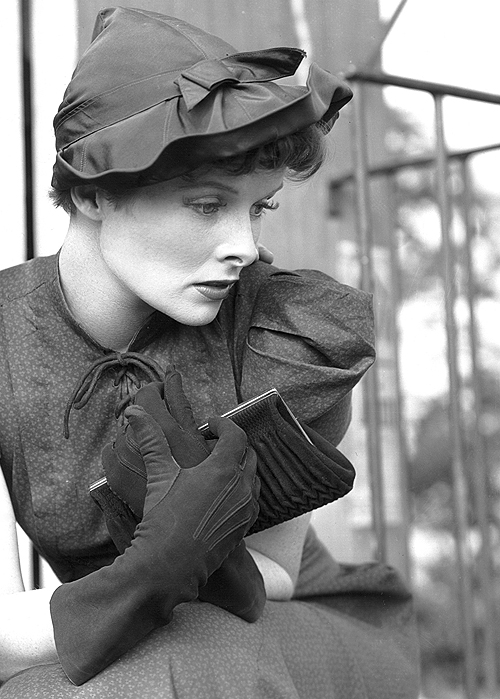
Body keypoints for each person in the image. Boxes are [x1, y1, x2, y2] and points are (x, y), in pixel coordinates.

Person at [0, 7, 420, 698]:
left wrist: (201, 556)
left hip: (299, 627)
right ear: (96, 191)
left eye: (258, 207)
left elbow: (271, 578)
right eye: (206, 205)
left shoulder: (281, 329)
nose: (245, 247)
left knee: (176, 660)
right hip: (128, 641)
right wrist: (147, 573)